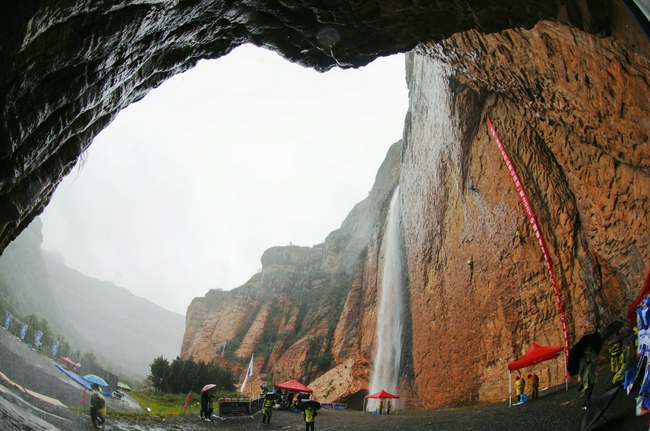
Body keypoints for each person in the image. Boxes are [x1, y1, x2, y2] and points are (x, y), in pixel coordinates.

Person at [578, 345, 598, 410]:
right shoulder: (583, 358)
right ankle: (588, 406)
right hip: (586, 377)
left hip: (593, 375)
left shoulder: (593, 353)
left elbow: (596, 359)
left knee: (590, 391)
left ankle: (585, 404)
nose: (589, 347)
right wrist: (580, 379)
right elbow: (581, 369)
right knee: (588, 391)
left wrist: (591, 361)